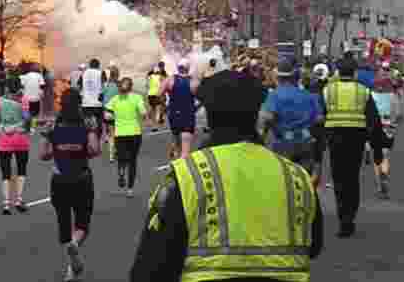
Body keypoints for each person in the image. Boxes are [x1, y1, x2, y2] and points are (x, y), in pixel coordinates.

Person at [129, 70, 323, 282]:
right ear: (257, 114)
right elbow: (314, 246)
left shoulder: (187, 176)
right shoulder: (297, 176)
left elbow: (151, 266)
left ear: (209, 117)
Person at [40, 88, 101, 282]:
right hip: (81, 178)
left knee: (64, 223)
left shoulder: (54, 126)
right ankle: (75, 244)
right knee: (82, 223)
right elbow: (94, 150)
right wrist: (89, 136)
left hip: (59, 180)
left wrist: (50, 139)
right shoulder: (86, 124)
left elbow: (44, 155)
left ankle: (71, 265)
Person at [323, 55, 382, 238]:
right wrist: (376, 148)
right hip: (356, 138)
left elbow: (319, 116)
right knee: (352, 178)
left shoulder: (328, 91)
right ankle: (350, 217)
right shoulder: (363, 92)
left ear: (338, 71)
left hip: (335, 138)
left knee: (339, 179)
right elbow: (373, 121)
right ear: (355, 72)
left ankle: (343, 219)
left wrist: (319, 144)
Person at [258, 58, 323, 174]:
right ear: (295, 77)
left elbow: (268, 119)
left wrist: (262, 138)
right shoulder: (309, 96)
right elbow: (319, 120)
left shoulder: (274, 96)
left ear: (278, 77)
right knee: (305, 179)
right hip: (305, 142)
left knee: (285, 182)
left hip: (283, 144)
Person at [0, 76, 31, 214]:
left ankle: (6, 203)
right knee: (21, 169)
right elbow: (27, 119)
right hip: (20, 138)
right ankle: (19, 199)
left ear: (7, 88)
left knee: (5, 172)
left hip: (4, 138)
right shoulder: (24, 100)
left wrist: (1, 126)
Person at [105, 77, 147, 196]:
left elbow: (107, 114)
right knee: (133, 161)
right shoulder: (137, 98)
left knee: (121, 158)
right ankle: (130, 189)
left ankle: (121, 171)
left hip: (120, 134)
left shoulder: (115, 99)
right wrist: (143, 117)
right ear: (131, 87)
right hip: (135, 133)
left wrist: (112, 118)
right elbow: (143, 112)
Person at [163, 63, 199, 161]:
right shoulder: (194, 82)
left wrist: (164, 107)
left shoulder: (169, 80)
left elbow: (159, 94)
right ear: (188, 68)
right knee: (185, 143)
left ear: (178, 68)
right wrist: (197, 107)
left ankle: (175, 151)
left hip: (174, 112)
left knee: (176, 134)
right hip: (188, 113)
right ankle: (181, 160)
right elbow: (203, 98)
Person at [369, 74, 397, 198]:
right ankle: (385, 174)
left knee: (376, 156)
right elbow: (397, 113)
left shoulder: (371, 96)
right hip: (388, 127)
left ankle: (380, 185)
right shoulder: (392, 97)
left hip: (374, 127)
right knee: (385, 155)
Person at [100, 66, 121, 162]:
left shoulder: (105, 85)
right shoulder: (119, 85)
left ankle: (111, 155)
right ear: (117, 74)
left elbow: (100, 97)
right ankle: (117, 151)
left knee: (110, 135)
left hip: (106, 112)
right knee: (118, 133)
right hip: (116, 112)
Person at [79, 59, 105, 130]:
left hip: (86, 102)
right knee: (98, 125)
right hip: (97, 103)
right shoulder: (101, 72)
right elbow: (103, 86)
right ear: (98, 66)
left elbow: (80, 86)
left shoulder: (84, 73)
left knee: (87, 125)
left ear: (90, 65)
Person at [147, 63, 168, 129]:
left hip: (151, 94)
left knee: (154, 109)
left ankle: (154, 124)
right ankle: (159, 120)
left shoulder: (150, 76)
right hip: (159, 93)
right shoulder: (161, 75)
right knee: (161, 106)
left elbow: (147, 85)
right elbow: (165, 82)